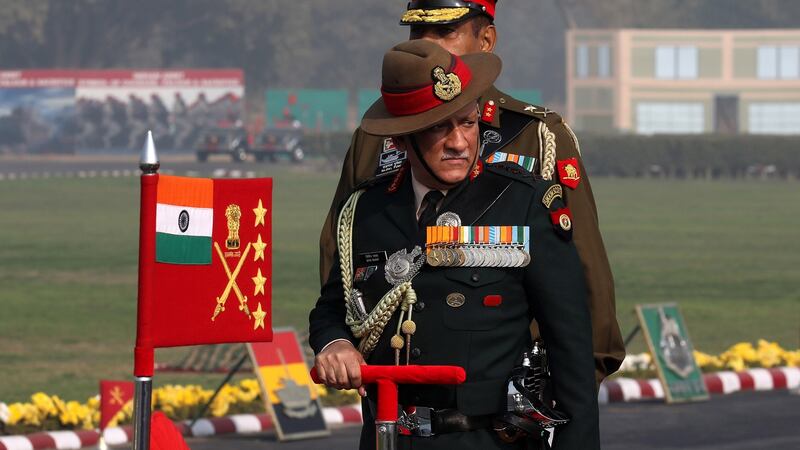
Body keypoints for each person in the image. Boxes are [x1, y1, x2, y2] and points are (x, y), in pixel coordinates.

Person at [309, 39, 599, 450]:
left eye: (467, 123)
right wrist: (335, 342)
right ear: (402, 139)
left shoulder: (522, 202)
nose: (460, 143)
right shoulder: (364, 211)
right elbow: (333, 308)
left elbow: (570, 345)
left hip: (488, 440)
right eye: (438, 128)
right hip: (387, 438)